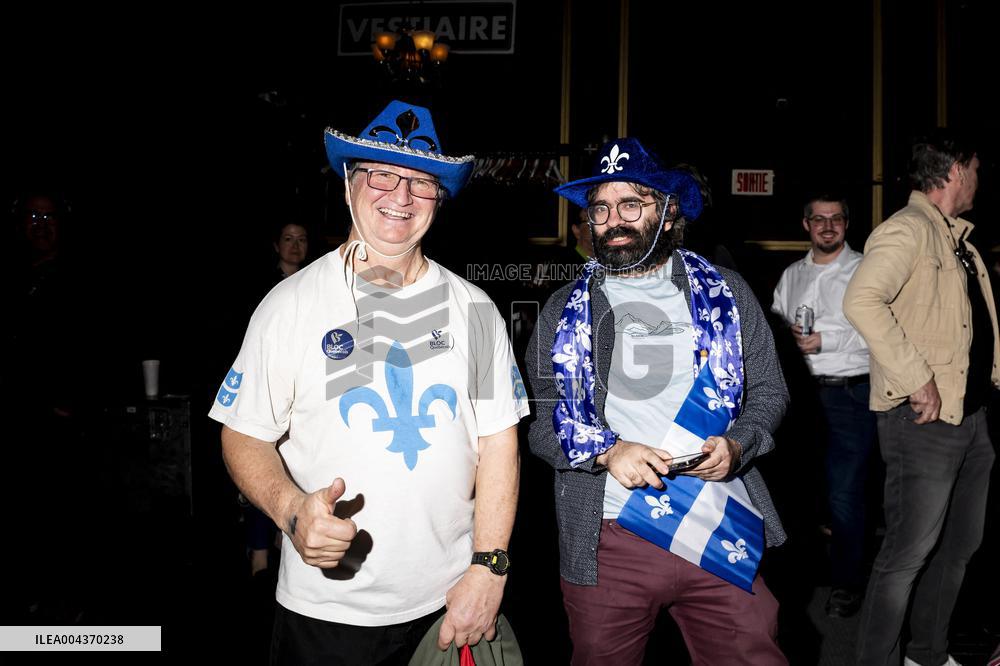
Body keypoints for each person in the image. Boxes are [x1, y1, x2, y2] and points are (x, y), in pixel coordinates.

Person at [210, 100, 529, 665]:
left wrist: (489, 566)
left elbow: (499, 443)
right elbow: (243, 433)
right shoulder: (289, 305)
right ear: (347, 184)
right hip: (325, 612)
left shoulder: (475, 309)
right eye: (381, 174)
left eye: (421, 182)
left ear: (439, 198)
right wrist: (290, 510)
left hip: (449, 604)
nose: (400, 195)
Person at [525, 138, 789, 665]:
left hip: (715, 517)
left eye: (631, 204)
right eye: (600, 208)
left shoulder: (727, 294)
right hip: (611, 534)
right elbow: (541, 421)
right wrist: (607, 451)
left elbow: (769, 391)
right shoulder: (563, 310)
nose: (612, 221)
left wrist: (739, 443)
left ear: (668, 212)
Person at [844, 129, 997, 666]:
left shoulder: (959, 241)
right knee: (906, 554)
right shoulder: (907, 229)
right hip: (924, 421)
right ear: (955, 170)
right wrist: (917, 377)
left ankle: (927, 655)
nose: (978, 178)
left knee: (957, 549)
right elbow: (862, 300)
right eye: (975, 168)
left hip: (969, 418)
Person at [771, 193, 876, 618]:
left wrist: (825, 341)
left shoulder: (866, 270)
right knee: (798, 489)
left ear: (847, 223)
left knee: (845, 494)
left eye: (835, 219)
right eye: (819, 219)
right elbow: (775, 323)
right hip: (801, 394)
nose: (827, 226)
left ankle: (848, 584)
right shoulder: (792, 275)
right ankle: (805, 575)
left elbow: (885, 330)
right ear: (806, 224)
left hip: (850, 393)